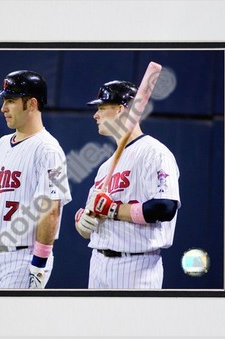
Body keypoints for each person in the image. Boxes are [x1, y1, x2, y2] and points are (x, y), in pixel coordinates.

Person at [74, 80, 181, 289]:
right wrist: (84, 222)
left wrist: (113, 210)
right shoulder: (105, 166)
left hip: (137, 266)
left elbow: (165, 207)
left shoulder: (154, 152)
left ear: (121, 109)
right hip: (97, 262)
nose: (95, 115)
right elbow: (94, 213)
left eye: (102, 108)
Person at [0, 70, 72, 289]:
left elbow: (51, 210)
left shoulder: (48, 149)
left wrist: (39, 263)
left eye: (10, 101)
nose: (3, 108)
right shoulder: (1, 144)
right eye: (3, 101)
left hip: (21, 258)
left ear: (31, 104)